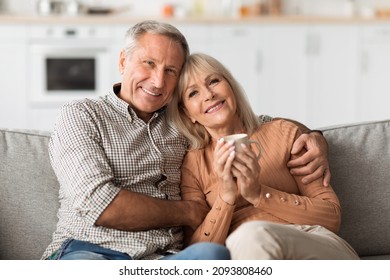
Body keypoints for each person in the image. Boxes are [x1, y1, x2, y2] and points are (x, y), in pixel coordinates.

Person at [42, 20, 330, 260]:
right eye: (148, 63)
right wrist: (189, 211)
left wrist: (314, 138)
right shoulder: (81, 114)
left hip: (166, 258)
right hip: (90, 252)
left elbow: (248, 122)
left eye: (170, 71)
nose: (157, 81)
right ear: (122, 61)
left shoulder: (182, 121)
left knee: (214, 256)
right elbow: (97, 203)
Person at [167, 52, 359, 259]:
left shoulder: (285, 133)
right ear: (187, 114)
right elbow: (199, 255)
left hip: (313, 242)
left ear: (231, 87)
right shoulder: (192, 165)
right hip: (247, 255)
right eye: (193, 93)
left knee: (252, 236)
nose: (208, 94)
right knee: (248, 239)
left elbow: (331, 217)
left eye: (213, 81)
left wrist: (259, 194)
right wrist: (227, 196)